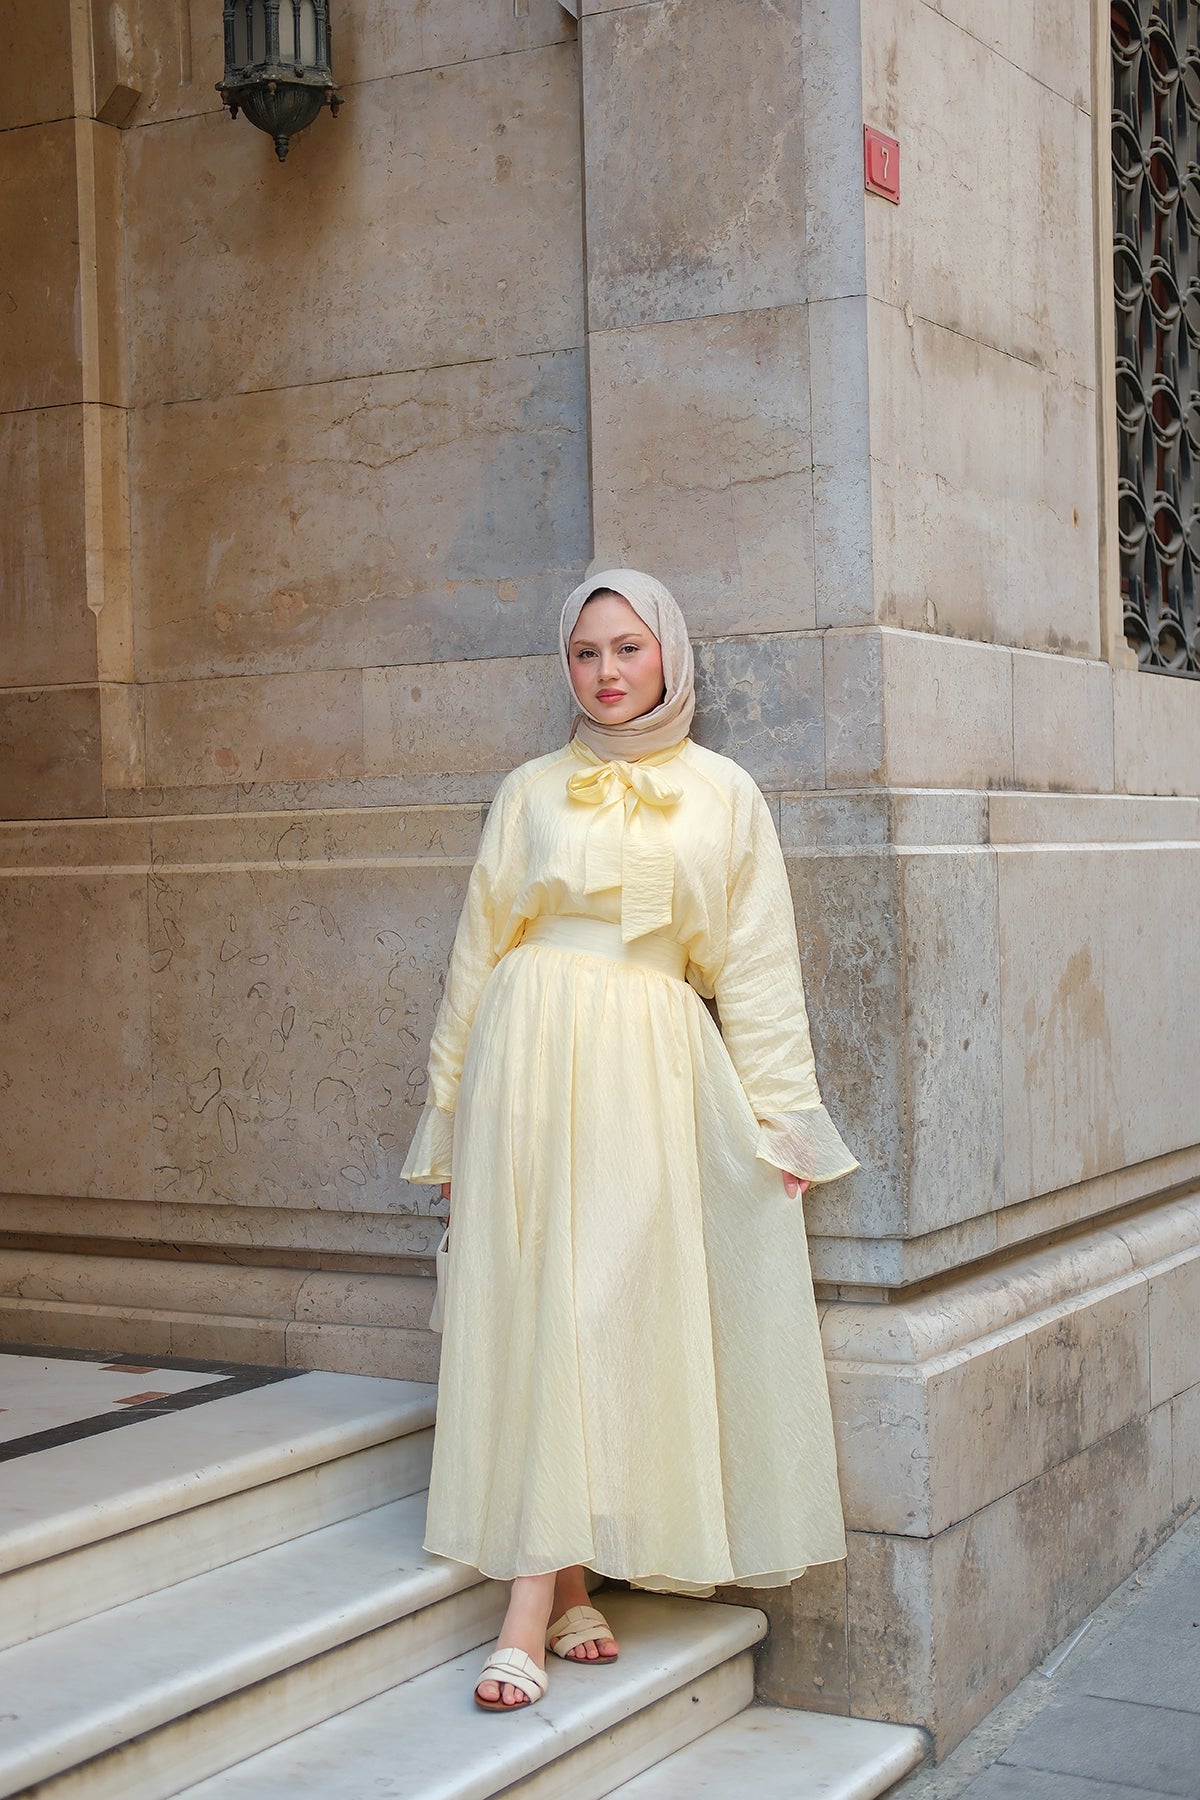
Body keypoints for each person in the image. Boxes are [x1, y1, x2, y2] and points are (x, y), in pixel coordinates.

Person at [400, 569, 858, 1712]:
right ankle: (542, 1600)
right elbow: (474, 951)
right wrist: (449, 1115)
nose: (607, 674)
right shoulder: (528, 790)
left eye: (629, 650)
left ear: (670, 657)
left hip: (652, 1067)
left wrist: (781, 1120)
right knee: (543, 1308)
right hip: (527, 1057)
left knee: (602, 1310)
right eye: (586, 654)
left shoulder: (725, 793)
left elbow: (755, 967)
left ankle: (550, 1592)